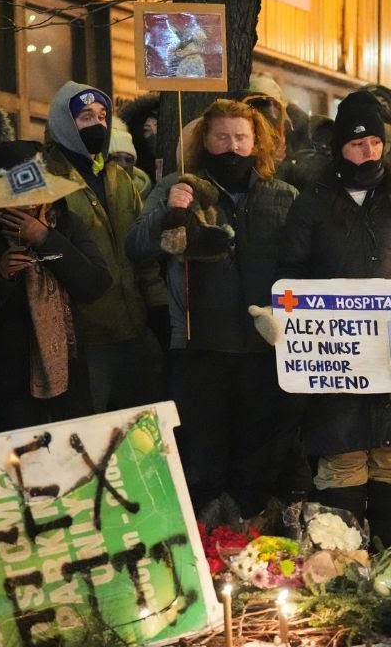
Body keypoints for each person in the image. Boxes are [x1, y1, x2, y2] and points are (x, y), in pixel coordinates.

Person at [278, 90, 391, 548]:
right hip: (336, 354)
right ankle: (341, 563)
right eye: (356, 144)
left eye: (374, 143)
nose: (367, 152)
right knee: (342, 459)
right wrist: (279, 319)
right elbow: (290, 271)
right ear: (339, 149)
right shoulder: (312, 202)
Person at [127, 98, 299, 521]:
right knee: (201, 460)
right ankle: (205, 541)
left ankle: (251, 545)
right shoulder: (178, 186)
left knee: (257, 459)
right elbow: (136, 246)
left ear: (256, 140)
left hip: (266, 350)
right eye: (222, 137)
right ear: (205, 140)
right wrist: (172, 211)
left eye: (242, 137)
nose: (233, 147)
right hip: (199, 345)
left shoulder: (284, 195)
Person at [0, 141, 111, 434]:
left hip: (66, 372)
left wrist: (46, 239)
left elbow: (95, 285)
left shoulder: (65, 223)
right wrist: (1, 277)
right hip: (4, 379)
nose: (28, 204)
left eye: (38, 194)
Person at [43, 80, 162, 411]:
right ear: (65, 124)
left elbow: (142, 250)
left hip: (133, 330)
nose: (97, 124)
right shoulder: (43, 180)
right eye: (85, 117)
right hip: (83, 339)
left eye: (101, 116)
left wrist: (157, 305)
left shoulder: (118, 177)